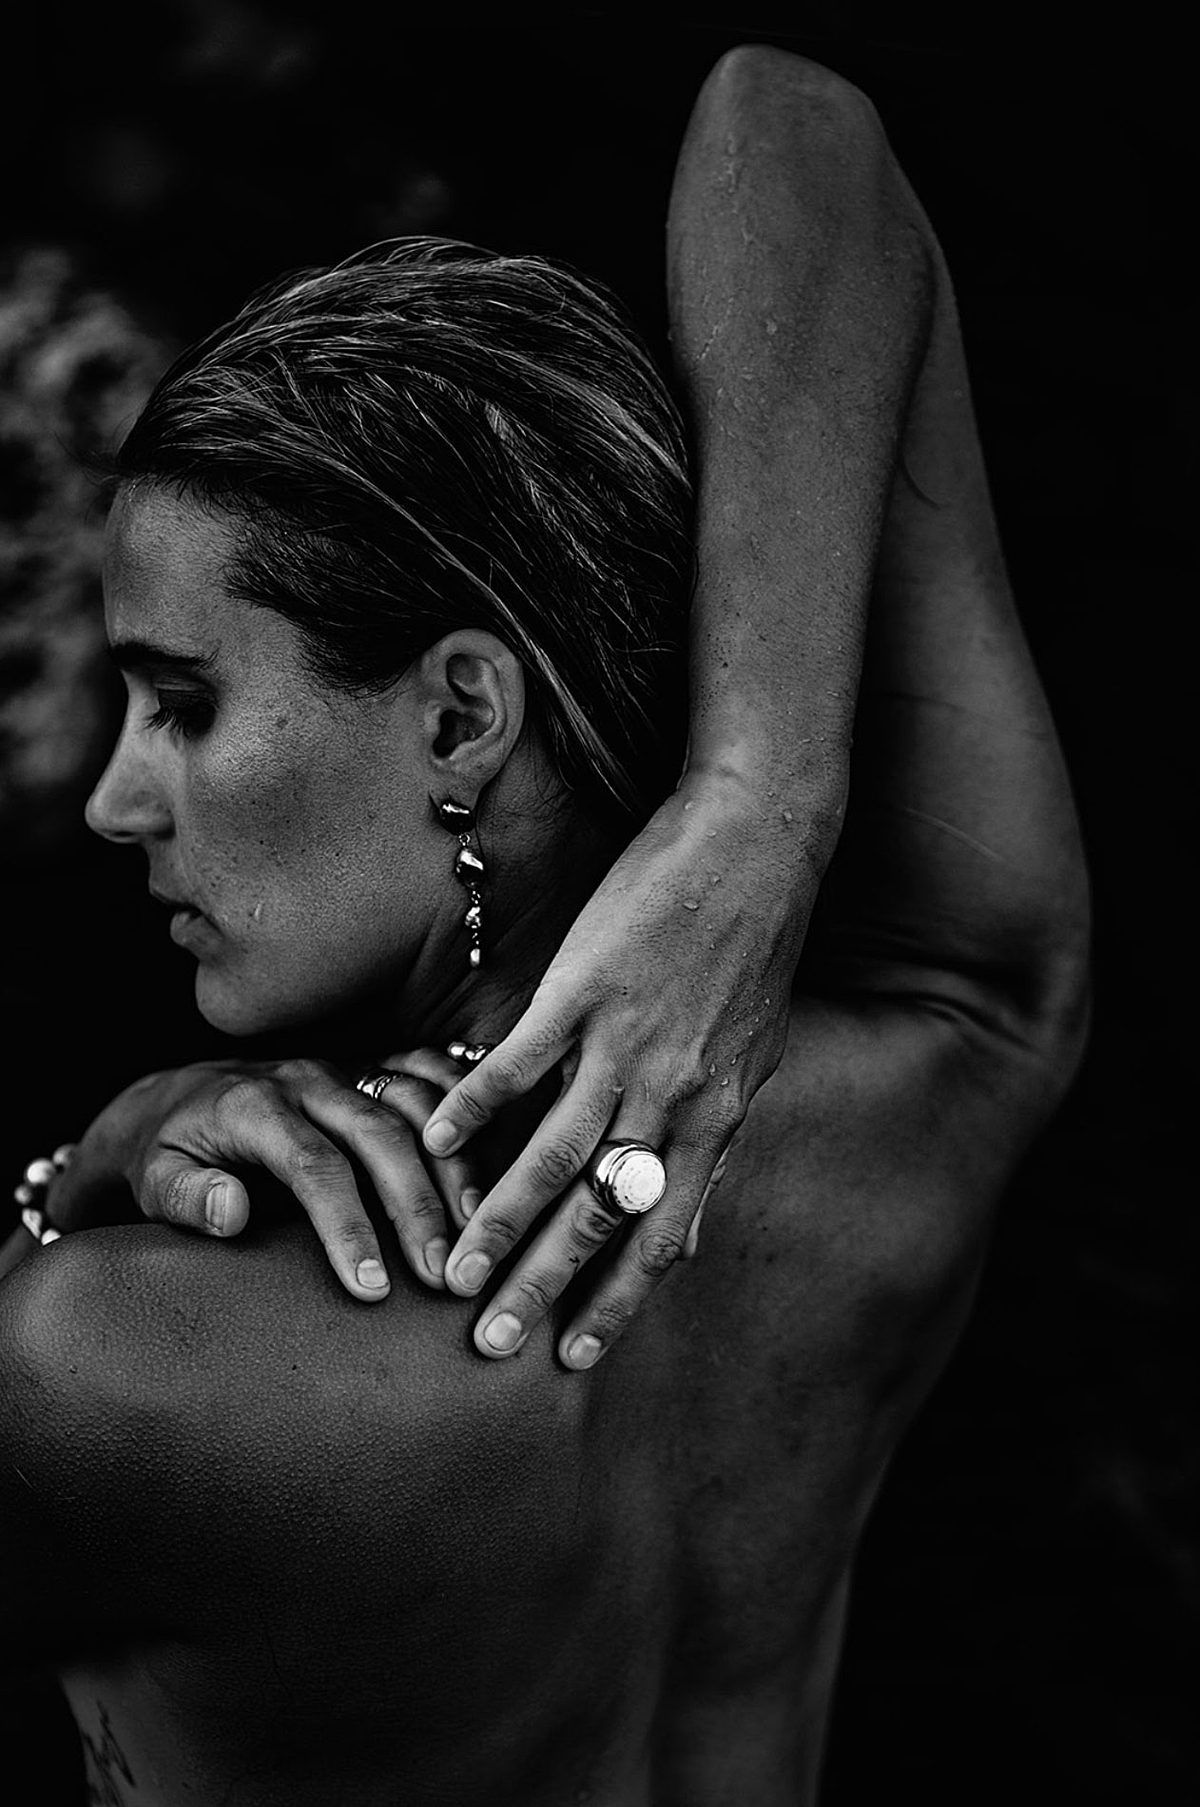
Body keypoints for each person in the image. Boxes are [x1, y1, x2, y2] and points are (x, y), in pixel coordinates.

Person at [1, 46, 1088, 1806]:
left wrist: (87, 1173)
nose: (119, 800)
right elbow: (803, 129)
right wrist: (762, 804)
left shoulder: (119, 1362)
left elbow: (783, 115)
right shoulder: (937, 1083)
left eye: (182, 703)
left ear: (458, 719)